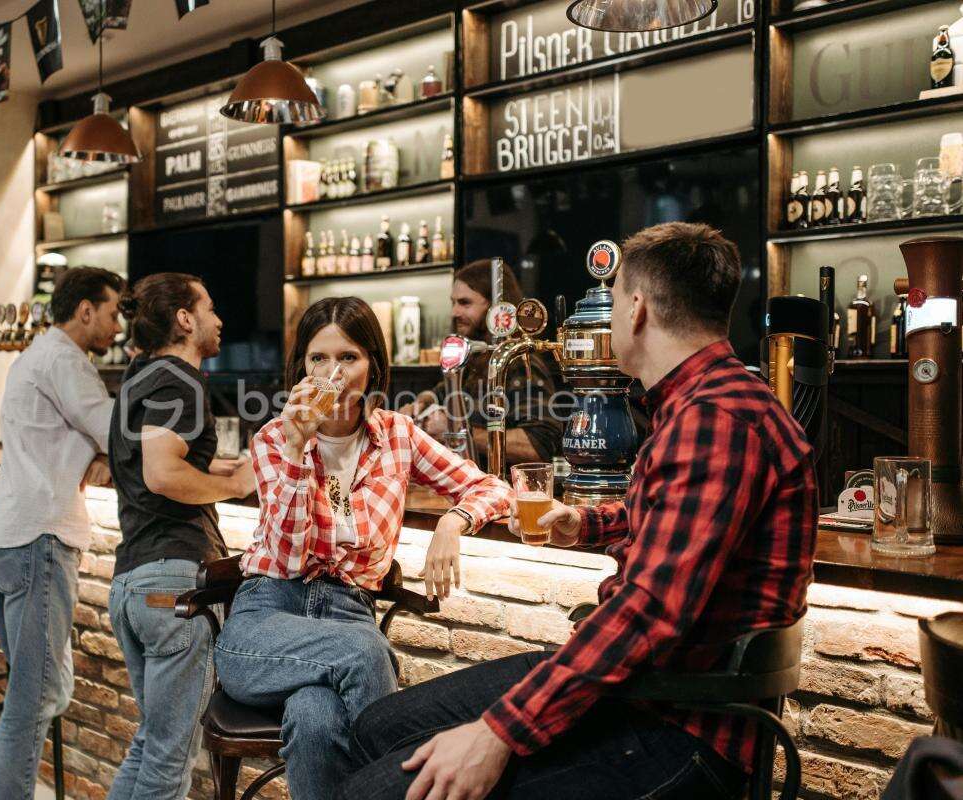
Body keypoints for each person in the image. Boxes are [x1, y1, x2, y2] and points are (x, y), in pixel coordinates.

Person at [338, 222, 819, 800]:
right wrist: (586, 522)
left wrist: (498, 733)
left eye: (614, 299)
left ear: (637, 308)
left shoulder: (712, 421)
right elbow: (682, 527)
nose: (610, 315)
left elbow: (648, 614)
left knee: (373, 790)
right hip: (645, 690)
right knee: (376, 728)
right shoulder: (708, 403)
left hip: (679, 725)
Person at [213, 297, 510, 800]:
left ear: (372, 362)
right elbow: (285, 559)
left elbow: (493, 488)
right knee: (365, 650)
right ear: (301, 367)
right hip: (266, 619)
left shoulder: (397, 434)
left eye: (348, 358)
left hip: (349, 611)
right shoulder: (272, 438)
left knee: (313, 717)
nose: (332, 373)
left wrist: (452, 522)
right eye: (318, 359)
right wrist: (295, 450)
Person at [0, 267, 124, 800]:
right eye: (112, 312)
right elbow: (116, 433)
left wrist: (98, 453)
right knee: (34, 701)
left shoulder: (34, 357)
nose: (118, 325)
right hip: (40, 541)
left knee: (36, 694)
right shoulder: (66, 360)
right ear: (85, 310)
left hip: (9, 538)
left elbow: (88, 437)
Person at [106, 273, 255, 800]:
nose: (219, 320)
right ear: (186, 319)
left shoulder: (141, 375)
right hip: (172, 587)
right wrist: (234, 484)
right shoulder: (179, 378)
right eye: (210, 308)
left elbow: (154, 456)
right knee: (169, 760)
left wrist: (211, 462)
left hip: (133, 583)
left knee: (151, 747)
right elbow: (162, 473)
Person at [398, 259, 561, 469]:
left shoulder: (519, 362)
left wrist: (456, 431)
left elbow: (537, 445)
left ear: (496, 310)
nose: (454, 313)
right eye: (453, 302)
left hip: (506, 492)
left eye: (465, 303)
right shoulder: (473, 360)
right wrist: (422, 404)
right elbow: (441, 393)